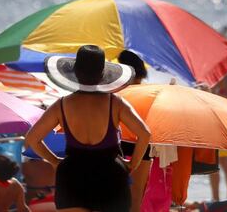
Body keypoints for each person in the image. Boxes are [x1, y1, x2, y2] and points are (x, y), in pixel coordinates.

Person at [25, 45, 151, 211]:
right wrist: (132, 165)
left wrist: (55, 161)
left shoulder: (61, 105)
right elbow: (145, 134)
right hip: (111, 176)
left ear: (75, 73)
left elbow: (32, 138)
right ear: (102, 74)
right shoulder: (115, 103)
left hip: (72, 177)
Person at [118, 50, 151, 212]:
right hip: (143, 144)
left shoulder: (118, 91)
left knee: (115, 191)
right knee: (137, 192)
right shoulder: (149, 92)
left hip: (120, 141)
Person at [209, 67, 227, 200]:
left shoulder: (226, 74)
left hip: (221, 118)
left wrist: (214, 86)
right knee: (219, 161)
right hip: (222, 117)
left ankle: (223, 196)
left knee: (218, 160)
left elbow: (213, 94)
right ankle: (223, 196)